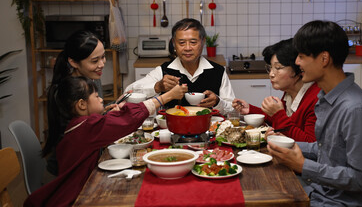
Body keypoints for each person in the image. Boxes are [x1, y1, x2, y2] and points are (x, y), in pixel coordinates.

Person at [266, 20, 362, 206]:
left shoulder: (355, 109)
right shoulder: (328, 98)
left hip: (339, 202)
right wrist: (283, 144)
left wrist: (303, 166)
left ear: (324, 59)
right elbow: (326, 149)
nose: (297, 62)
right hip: (321, 191)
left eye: (302, 56)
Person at [24, 76, 187, 207]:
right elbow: (127, 120)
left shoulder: (77, 125)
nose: (101, 99)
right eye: (96, 96)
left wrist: (107, 117)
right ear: (81, 104)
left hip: (77, 188)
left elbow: (101, 126)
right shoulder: (87, 127)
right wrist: (167, 97)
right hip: (76, 197)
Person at [125, 18, 235, 114]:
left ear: (203, 42)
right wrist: (158, 87)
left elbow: (233, 109)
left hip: (209, 130)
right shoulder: (163, 71)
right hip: (171, 130)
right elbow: (128, 93)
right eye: (182, 43)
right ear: (174, 43)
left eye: (193, 42)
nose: (187, 48)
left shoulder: (218, 71)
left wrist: (217, 102)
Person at [43, 30, 114, 176]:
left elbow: (91, 115)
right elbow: (84, 131)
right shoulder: (67, 92)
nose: (102, 64)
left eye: (103, 57)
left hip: (87, 159)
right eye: (95, 61)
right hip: (67, 171)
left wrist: (107, 109)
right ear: (73, 62)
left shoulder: (91, 78)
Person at [232, 39, 320, 142]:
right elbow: (281, 121)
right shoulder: (289, 92)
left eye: (278, 68)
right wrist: (251, 110)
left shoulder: (315, 98)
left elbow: (310, 143)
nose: (271, 74)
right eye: (270, 68)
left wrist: (278, 114)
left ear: (297, 68)